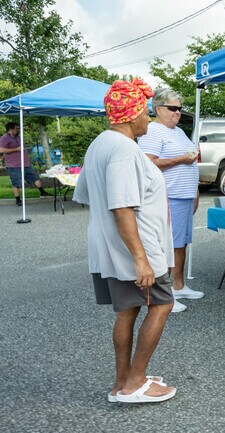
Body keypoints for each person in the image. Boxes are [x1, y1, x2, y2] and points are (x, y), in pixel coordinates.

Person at [72, 78, 176, 404]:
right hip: (135, 250)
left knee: (128, 310)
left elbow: (91, 196)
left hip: (112, 247)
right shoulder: (123, 149)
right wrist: (141, 259)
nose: (148, 118)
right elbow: (121, 208)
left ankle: (123, 382)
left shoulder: (100, 144)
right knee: (162, 304)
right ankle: (135, 382)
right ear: (131, 116)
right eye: (145, 112)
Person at [138, 88, 203, 314]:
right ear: (158, 109)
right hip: (168, 196)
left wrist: (195, 192)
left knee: (181, 243)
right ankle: (164, 297)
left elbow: (191, 162)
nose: (178, 112)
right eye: (173, 108)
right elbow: (149, 163)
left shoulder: (178, 131)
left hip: (183, 195)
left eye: (179, 108)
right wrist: (182, 159)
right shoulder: (153, 131)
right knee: (166, 246)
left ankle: (178, 286)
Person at [0, 122, 52, 206]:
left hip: (25, 163)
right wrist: (16, 149)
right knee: (16, 182)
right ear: (10, 129)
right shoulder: (4, 138)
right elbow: (1, 150)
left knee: (35, 178)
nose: (18, 130)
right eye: (17, 128)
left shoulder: (19, 137)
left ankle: (42, 192)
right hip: (14, 165)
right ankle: (18, 200)